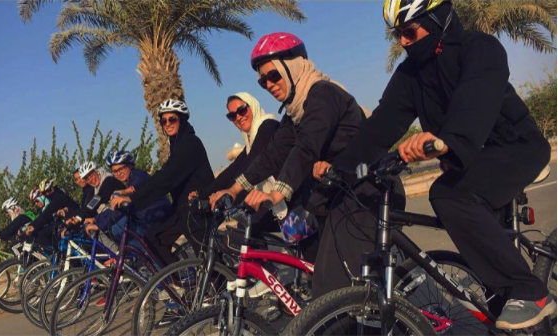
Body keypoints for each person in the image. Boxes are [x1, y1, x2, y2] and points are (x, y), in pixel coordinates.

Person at [315, 0, 554, 329]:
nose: (402, 42)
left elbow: (474, 101)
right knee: (471, 223)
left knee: (448, 195)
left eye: (409, 32)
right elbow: (380, 126)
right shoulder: (411, 74)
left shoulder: (480, 48)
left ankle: (531, 291)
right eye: (398, 34)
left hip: (516, 148)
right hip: (469, 160)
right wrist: (337, 170)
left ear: (438, 20)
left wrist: (446, 140)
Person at [209, 32, 398, 299]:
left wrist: (276, 193)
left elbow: (306, 146)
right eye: (263, 82)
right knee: (321, 275)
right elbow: (273, 154)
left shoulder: (323, 94)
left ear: (294, 65)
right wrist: (233, 190)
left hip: (366, 191)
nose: (269, 85)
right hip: (338, 195)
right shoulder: (295, 112)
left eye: (274, 75)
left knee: (333, 291)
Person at [111, 99, 214, 266]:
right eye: (163, 121)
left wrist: (133, 198)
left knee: (209, 262)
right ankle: (180, 283)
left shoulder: (190, 143)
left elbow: (167, 178)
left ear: (182, 119)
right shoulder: (177, 145)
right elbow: (160, 175)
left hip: (197, 209)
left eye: (172, 119)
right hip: (182, 209)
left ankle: (222, 289)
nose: (167, 124)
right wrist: (130, 191)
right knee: (153, 240)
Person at [198, 93, 284, 239]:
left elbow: (251, 163)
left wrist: (232, 190)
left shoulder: (268, 126)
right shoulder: (251, 140)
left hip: (289, 196)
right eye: (232, 116)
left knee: (249, 225)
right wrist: (205, 194)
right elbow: (234, 168)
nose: (238, 117)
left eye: (242, 110)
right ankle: (259, 261)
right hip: (275, 198)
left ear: (253, 106)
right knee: (245, 225)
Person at [84, 151, 172, 251]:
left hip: (156, 216)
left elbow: (123, 207)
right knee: (118, 228)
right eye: (115, 171)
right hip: (147, 217)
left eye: (121, 169)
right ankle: (140, 256)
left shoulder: (137, 177)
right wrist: (96, 219)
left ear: (130, 165)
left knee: (117, 229)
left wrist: (98, 225)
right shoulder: (131, 178)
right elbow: (116, 206)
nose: (118, 173)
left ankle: (146, 257)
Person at [26, 179, 80, 247]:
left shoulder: (59, 196)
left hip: (73, 221)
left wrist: (34, 226)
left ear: (52, 188)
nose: (47, 194)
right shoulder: (55, 196)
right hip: (66, 221)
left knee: (42, 234)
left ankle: (57, 253)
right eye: (44, 193)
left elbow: (47, 213)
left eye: (48, 191)